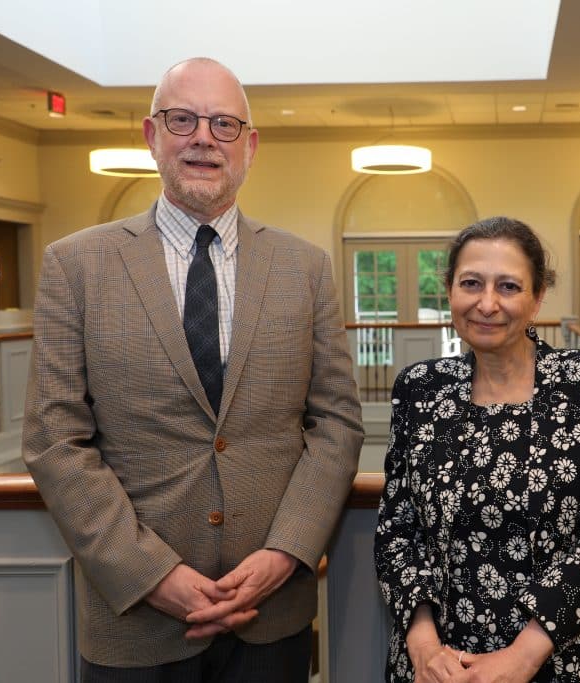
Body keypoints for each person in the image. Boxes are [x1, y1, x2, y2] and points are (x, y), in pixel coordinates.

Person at [22, 58, 364, 682]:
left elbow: (337, 423)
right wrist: (150, 573)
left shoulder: (305, 268)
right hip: (134, 623)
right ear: (152, 135)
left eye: (225, 124)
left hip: (271, 617)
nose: (204, 137)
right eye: (183, 119)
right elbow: (54, 439)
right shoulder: (76, 265)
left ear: (250, 147)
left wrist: (286, 552)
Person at [374, 217, 580, 682]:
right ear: (450, 290)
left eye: (508, 287)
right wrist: (423, 643)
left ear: (536, 299)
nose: (486, 303)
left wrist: (523, 656)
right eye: (470, 283)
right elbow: (398, 528)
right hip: (445, 665)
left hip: (576, 656)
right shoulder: (420, 389)